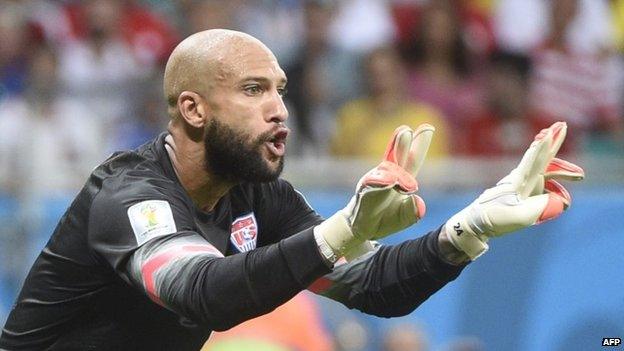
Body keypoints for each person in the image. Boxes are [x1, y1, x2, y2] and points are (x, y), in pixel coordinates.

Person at [0, 29, 584, 350]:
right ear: (193, 109)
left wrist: (468, 229)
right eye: (254, 90)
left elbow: (375, 287)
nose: (280, 110)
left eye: (280, 90)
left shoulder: (258, 196)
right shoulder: (130, 195)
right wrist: (347, 227)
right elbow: (202, 292)